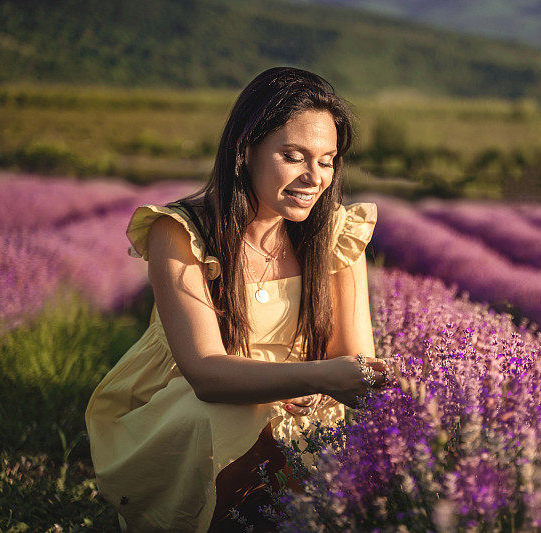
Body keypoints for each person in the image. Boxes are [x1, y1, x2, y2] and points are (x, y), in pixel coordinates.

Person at [85, 66, 390, 532]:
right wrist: (314, 376)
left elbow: (354, 357)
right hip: (205, 403)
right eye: (293, 156)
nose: (314, 177)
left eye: (327, 160)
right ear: (245, 150)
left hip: (306, 402)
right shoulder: (183, 231)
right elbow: (206, 373)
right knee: (212, 417)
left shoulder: (336, 235)